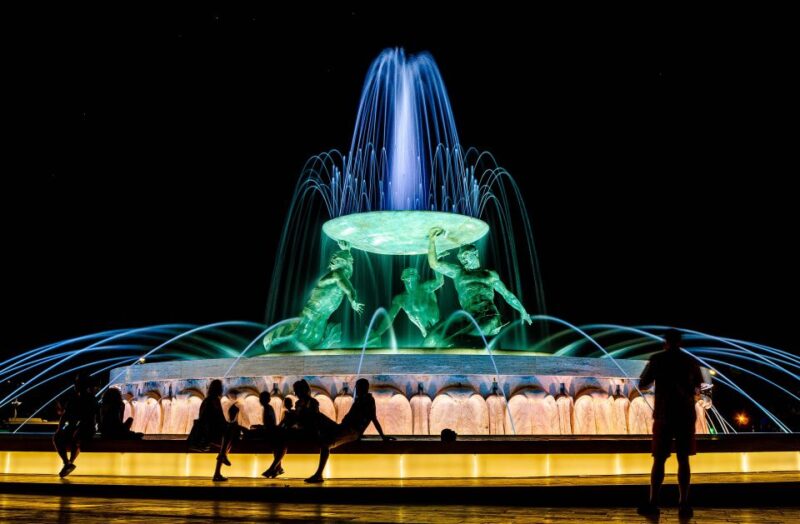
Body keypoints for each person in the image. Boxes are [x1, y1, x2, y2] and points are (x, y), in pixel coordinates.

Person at [425, 227, 531, 347]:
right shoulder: (458, 272)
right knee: (431, 338)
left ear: (475, 253)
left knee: (450, 344)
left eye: (465, 256)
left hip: (488, 317)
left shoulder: (489, 275)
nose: (463, 260)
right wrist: (432, 240)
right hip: (468, 317)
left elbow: (507, 295)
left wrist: (523, 312)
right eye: (460, 258)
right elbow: (434, 264)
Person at [636, 329, 703, 519]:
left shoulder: (657, 359)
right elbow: (698, 388)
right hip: (686, 415)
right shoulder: (690, 361)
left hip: (664, 415)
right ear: (680, 343)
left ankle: (653, 503)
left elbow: (643, 384)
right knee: (684, 459)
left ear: (665, 342)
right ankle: (684, 504)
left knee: (659, 458)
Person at [263, 241, 364, 351]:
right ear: (335, 262)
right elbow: (344, 282)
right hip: (306, 320)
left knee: (309, 346)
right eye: (347, 262)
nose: (349, 265)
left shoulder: (343, 280)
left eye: (350, 263)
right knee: (284, 340)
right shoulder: (334, 275)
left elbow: (347, 281)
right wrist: (352, 300)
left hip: (320, 326)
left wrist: (347, 252)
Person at [304, 378, 395, 483]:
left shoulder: (368, 400)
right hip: (344, 427)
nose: (356, 389)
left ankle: (319, 474)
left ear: (363, 388)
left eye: (358, 387)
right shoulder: (360, 399)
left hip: (351, 431)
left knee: (325, 444)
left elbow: (373, 418)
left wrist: (382, 436)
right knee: (318, 417)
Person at [262, 379, 326, 479]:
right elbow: (297, 419)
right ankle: (277, 467)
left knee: (282, 438)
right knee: (279, 437)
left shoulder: (312, 402)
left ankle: (275, 467)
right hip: (301, 430)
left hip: (309, 432)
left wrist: (295, 419)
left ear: (304, 390)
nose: (296, 393)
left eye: (297, 391)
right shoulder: (299, 403)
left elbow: (312, 420)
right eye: (295, 391)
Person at [370, 267, 444, 342]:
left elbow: (440, 281)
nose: (409, 276)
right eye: (407, 273)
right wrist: (378, 332)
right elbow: (390, 317)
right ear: (402, 278)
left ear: (418, 277)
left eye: (412, 273)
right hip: (427, 335)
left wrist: (435, 263)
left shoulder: (426, 289)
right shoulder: (401, 299)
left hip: (441, 328)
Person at [52, 373, 99, 477]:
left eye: (77, 383)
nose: (75, 386)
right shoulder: (74, 399)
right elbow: (65, 416)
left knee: (76, 437)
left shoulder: (90, 399)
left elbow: (91, 418)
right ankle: (67, 463)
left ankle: (69, 463)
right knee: (57, 437)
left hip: (86, 428)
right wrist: (60, 429)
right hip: (76, 427)